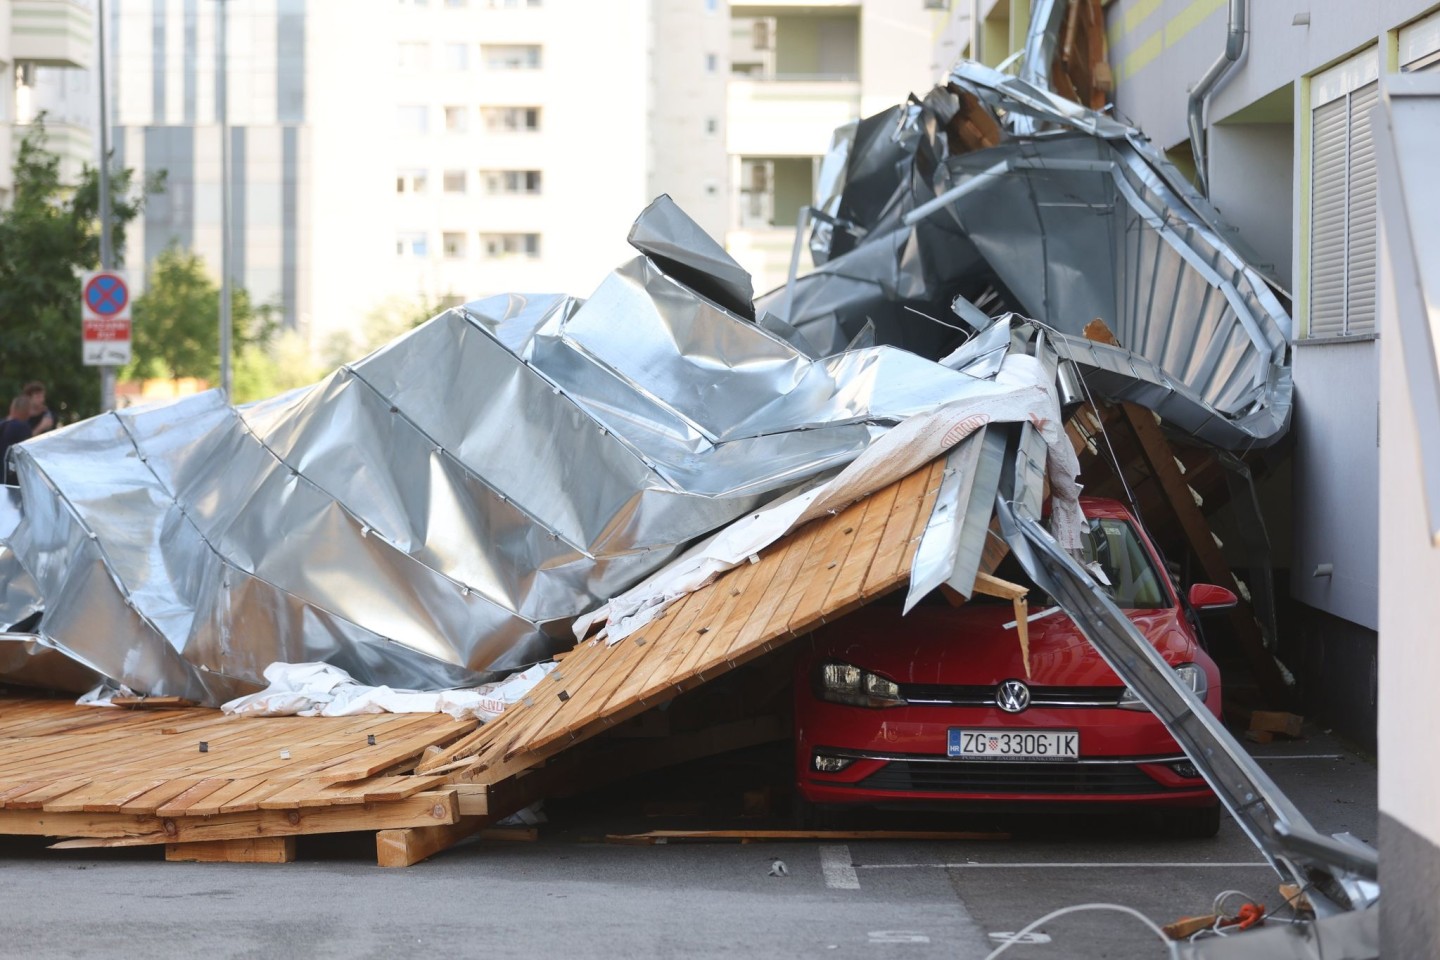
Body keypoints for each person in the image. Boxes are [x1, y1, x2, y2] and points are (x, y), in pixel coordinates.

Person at [1, 396, 34, 485]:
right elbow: (30, 448)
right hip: (12, 479)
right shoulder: (22, 427)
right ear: (26, 411)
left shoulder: (3, 424)